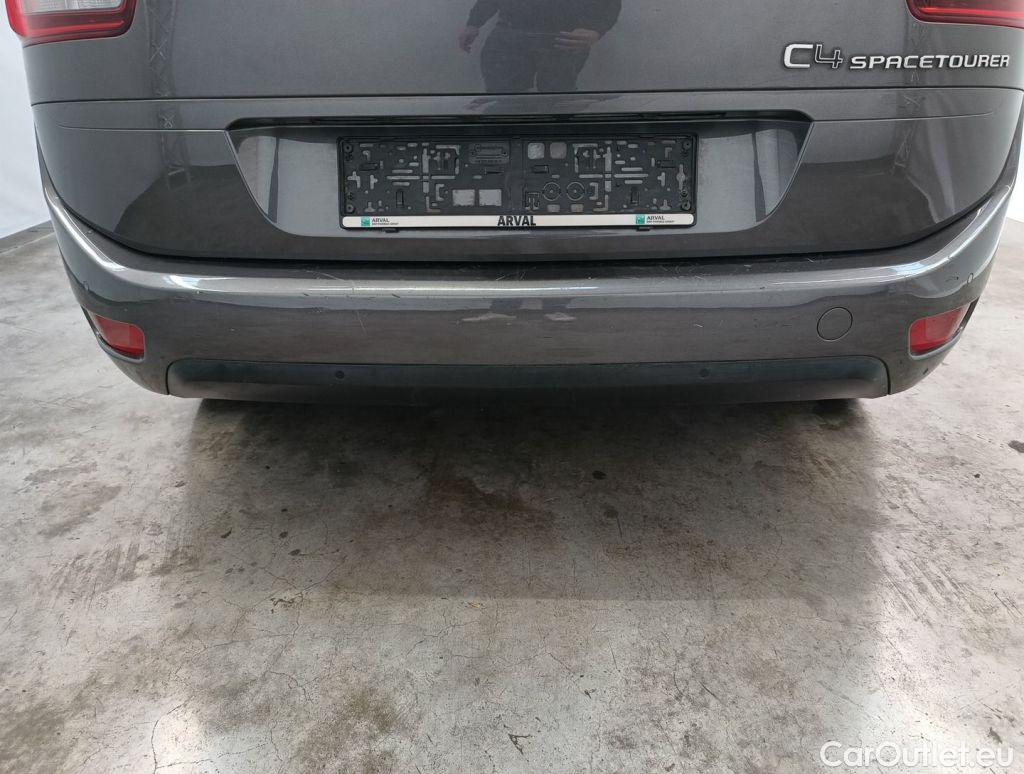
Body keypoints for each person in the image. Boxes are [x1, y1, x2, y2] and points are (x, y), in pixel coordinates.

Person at [458, 0, 622, 93]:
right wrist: (474, 22)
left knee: (558, 102)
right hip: (511, 33)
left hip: (562, 36)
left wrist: (596, 28)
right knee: (502, 102)